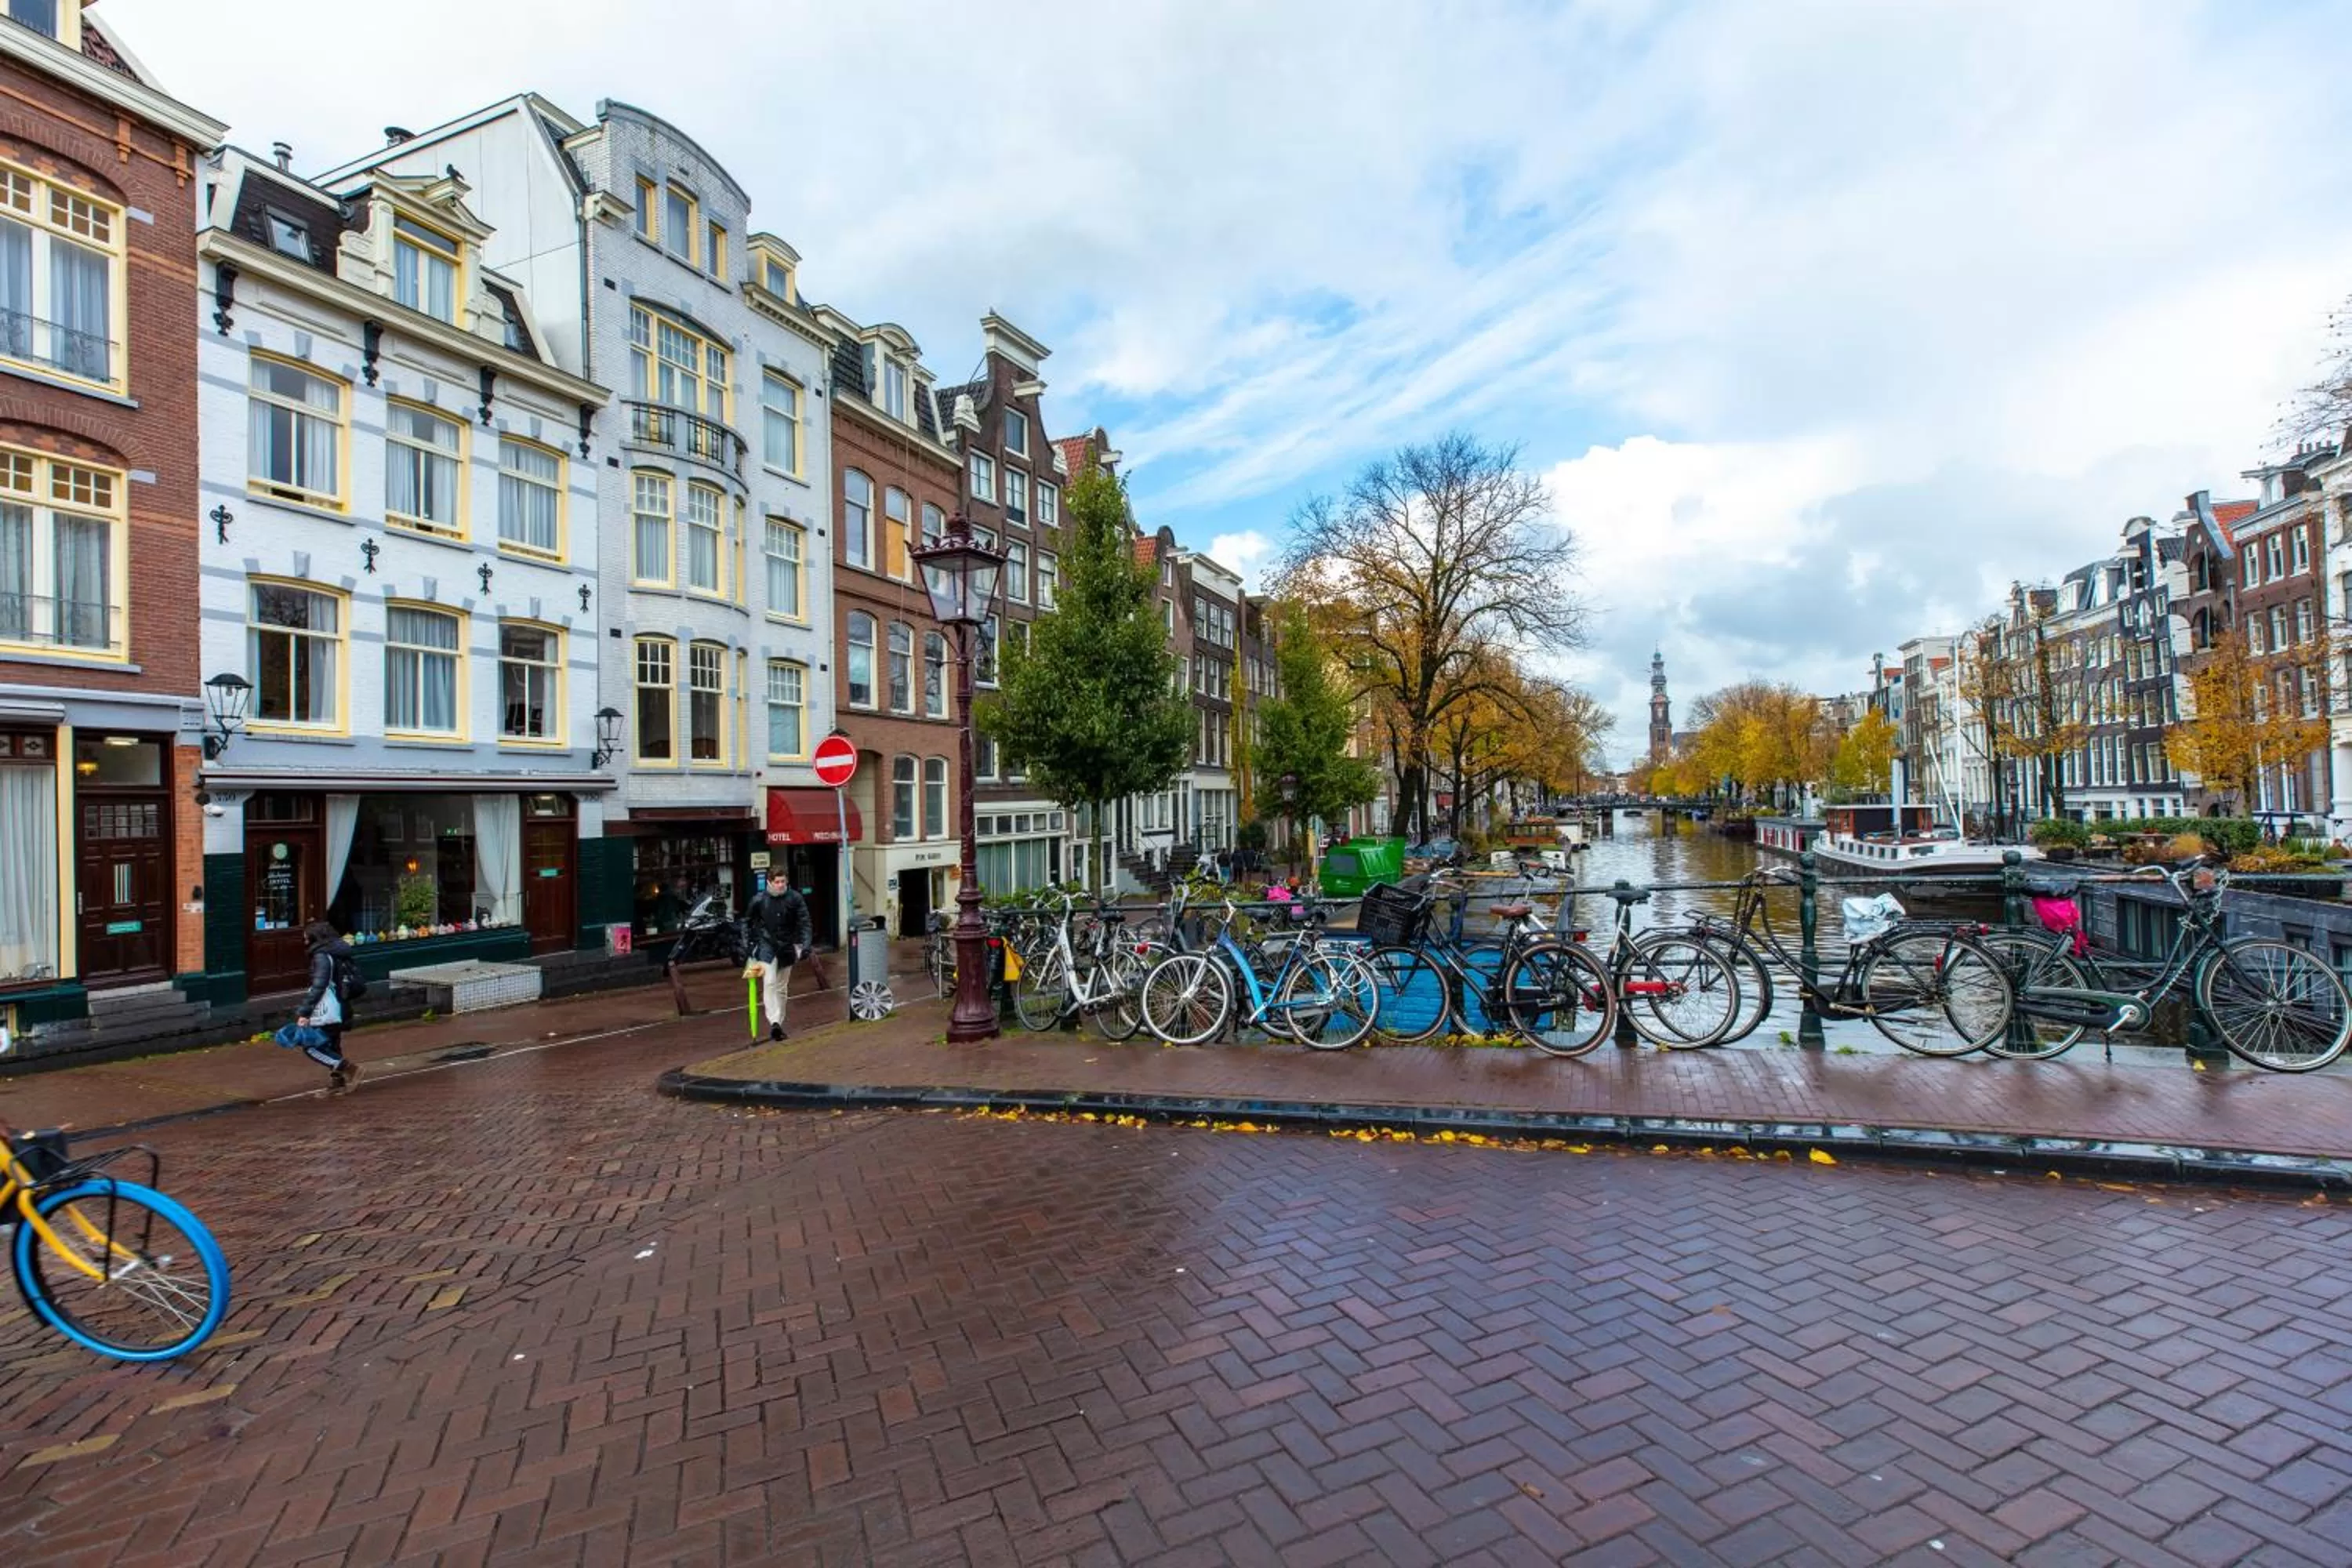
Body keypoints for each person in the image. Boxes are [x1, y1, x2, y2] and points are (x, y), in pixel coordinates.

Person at [294, 918, 364, 1091]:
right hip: (341, 1004)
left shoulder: (322, 956)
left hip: (329, 1008)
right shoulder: (338, 951)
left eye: (306, 938)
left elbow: (319, 986)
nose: (305, 942)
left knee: (310, 1046)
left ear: (314, 938)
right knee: (333, 1043)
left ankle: (349, 1069)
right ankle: (338, 1082)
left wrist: (305, 1013)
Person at [745, 869, 813, 1040]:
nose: (781, 885)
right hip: (766, 946)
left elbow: (805, 922)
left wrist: (806, 945)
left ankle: (778, 1025)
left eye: (783, 881)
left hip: (787, 946)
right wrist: (748, 945)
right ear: (769, 882)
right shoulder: (759, 900)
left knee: (782, 988)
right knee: (769, 983)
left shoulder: (795, 898)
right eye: (777, 882)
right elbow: (746, 922)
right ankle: (774, 1021)